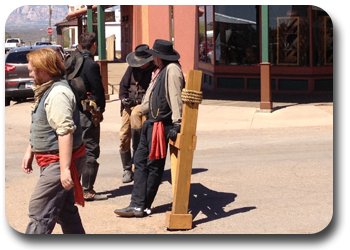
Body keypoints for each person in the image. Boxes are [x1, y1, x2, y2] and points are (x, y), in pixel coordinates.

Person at [114, 39, 185, 217]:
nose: (153, 57)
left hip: (161, 124)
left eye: (155, 54)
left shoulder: (172, 70)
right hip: (150, 122)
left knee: (153, 165)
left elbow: (176, 97)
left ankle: (143, 205)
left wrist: (177, 121)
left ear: (161, 56)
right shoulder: (160, 70)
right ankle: (136, 203)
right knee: (139, 162)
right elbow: (149, 96)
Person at [22, 47, 86, 234]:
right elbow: (43, 125)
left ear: (44, 70)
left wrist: (65, 169)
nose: (30, 73)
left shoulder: (58, 94)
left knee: (39, 211)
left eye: (32, 69)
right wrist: (30, 150)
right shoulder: (48, 89)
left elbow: (64, 132)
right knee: (65, 212)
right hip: (55, 160)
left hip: (59, 161)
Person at [119, 44, 156, 183]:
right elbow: (123, 86)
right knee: (123, 136)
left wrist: (137, 101)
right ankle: (126, 169)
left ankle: (137, 161)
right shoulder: (132, 68)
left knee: (136, 115)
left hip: (142, 105)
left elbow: (151, 92)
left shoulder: (154, 70)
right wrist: (124, 99)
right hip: (127, 105)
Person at [77, 32, 107, 201]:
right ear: (94, 45)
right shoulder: (90, 65)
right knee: (90, 149)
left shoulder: (71, 62)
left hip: (72, 112)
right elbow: (98, 90)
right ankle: (87, 190)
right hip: (88, 113)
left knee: (75, 149)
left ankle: (74, 188)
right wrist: (100, 110)